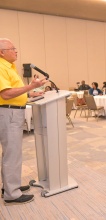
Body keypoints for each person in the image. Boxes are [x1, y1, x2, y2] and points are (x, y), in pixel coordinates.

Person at [0, 38, 47, 205]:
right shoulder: (0, 67)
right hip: (9, 113)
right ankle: (12, 194)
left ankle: (10, 187)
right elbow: (5, 94)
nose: (16, 51)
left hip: (11, 112)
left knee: (11, 153)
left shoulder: (9, 67)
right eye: (12, 48)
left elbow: (13, 92)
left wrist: (29, 94)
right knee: (12, 153)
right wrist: (30, 87)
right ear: (2, 52)